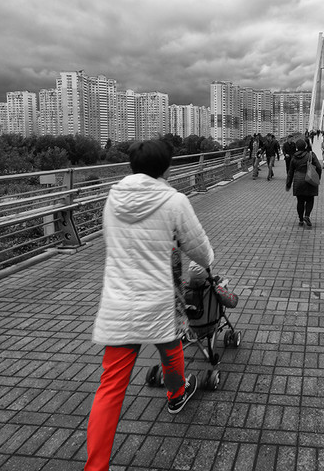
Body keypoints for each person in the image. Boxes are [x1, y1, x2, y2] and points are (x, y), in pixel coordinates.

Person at [86, 140, 214, 471]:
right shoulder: (174, 200)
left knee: (110, 387)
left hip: (119, 299)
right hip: (156, 298)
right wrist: (206, 261)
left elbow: (110, 240)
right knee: (170, 350)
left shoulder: (113, 197)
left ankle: (95, 466)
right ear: (167, 167)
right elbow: (199, 248)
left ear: (131, 166)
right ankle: (175, 395)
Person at [285, 138, 322, 227]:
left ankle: (301, 220)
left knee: (300, 201)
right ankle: (307, 215)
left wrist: (288, 184)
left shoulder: (294, 157)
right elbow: (319, 167)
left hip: (298, 180)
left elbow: (290, 172)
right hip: (309, 179)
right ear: (305, 146)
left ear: (297, 147)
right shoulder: (310, 155)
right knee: (310, 199)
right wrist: (318, 178)